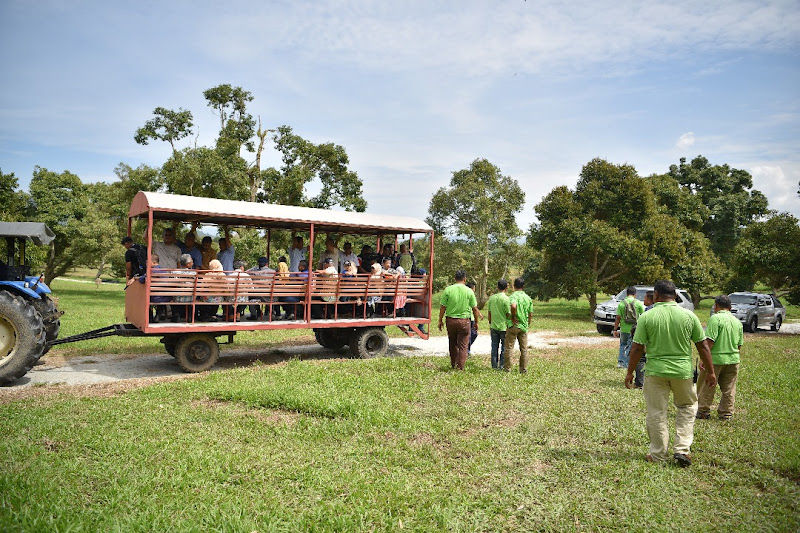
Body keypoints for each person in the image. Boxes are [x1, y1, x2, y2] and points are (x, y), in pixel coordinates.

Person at [625, 280, 716, 467]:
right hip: (682, 372)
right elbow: (703, 346)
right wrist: (712, 372)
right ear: (675, 296)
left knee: (656, 412)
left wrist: (629, 373)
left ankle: (658, 455)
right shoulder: (689, 316)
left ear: (656, 295)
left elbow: (636, 348)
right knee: (687, 408)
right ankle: (682, 449)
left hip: (655, 372)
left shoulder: (647, 317)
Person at [696, 295, 744, 421]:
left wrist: (703, 359)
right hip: (733, 359)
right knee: (729, 388)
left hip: (715, 360)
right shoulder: (737, 322)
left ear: (716, 306)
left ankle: (703, 411)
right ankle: (726, 413)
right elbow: (739, 345)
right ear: (730, 307)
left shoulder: (715, 319)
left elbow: (710, 341)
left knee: (707, 385)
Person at [438, 270, 480, 371]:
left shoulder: (448, 290)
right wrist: (477, 322)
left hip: (451, 321)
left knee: (452, 343)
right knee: (463, 345)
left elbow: (443, 307)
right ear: (465, 279)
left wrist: (440, 320)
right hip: (464, 321)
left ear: (455, 279)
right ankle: (460, 367)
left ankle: (453, 364)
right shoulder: (469, 291)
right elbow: (474, 309)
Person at [126, 253, 170, 322]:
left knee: (144, 297)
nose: (146, 264)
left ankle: (150, 318)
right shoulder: (164, 271)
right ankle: (159, 313)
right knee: (158, 296)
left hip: (154, 297)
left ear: (154, 263)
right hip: (166, 297)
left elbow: (141, 280)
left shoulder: (151, 271)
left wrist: (134, 278)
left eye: (147, 262)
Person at [504, 277, 534, 374]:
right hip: (523, 326)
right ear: (523, 286)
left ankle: (507, 369)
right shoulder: (528, 298)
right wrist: (528, 322)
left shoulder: (513, 296)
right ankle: (523, 369)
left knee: (509, 348)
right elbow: (530, 314)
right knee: (524, 349)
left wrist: (513, 316)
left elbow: (513, 306)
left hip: (513, 325)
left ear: (514, 286)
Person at [614, 286, 645, 368]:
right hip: (634, 329)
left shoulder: (621, 303)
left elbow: (618, 317)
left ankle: (620, 362)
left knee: (622, 345)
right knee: (631, 346)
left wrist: (615, 329)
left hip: (623, 329)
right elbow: (644, 315)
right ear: (635, 294)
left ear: (626, 293)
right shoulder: (638, 303)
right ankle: (627, 363)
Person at [633, 290, 655, 388]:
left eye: (645, 298)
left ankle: (639, 382)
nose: (644, 300)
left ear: (650, 300)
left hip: (646, 339)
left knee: (641, 359)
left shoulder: (648, 310)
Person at [487, 279, 510, 370]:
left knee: (494, 346)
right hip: (504, 327)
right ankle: (501, 365)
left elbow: (489, 313)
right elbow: (508, 313)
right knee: (504, 347)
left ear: (497, 287)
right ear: (506, 288)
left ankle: (494, 366)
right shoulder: (507, 299)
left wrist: (490, 321)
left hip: (493, 326)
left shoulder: (492, 298)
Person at [172, 253, 195, 322]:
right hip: (190, 297)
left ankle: (177, 316)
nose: (193, 261)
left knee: (173, 295)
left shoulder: (175, 272)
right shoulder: (194, 273)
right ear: (188, 264)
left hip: (178, 297)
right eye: (191, 260)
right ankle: (190, 317)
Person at [465, 281, 479, 354]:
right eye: (474, 288)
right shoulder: (469, 294)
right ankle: (467, 350)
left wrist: (479, 313)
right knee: (470, 334)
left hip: (472, 317)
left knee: (473, 334)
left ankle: (466, 349)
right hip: (469, 317)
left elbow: (474, 307)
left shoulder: (470, 294)